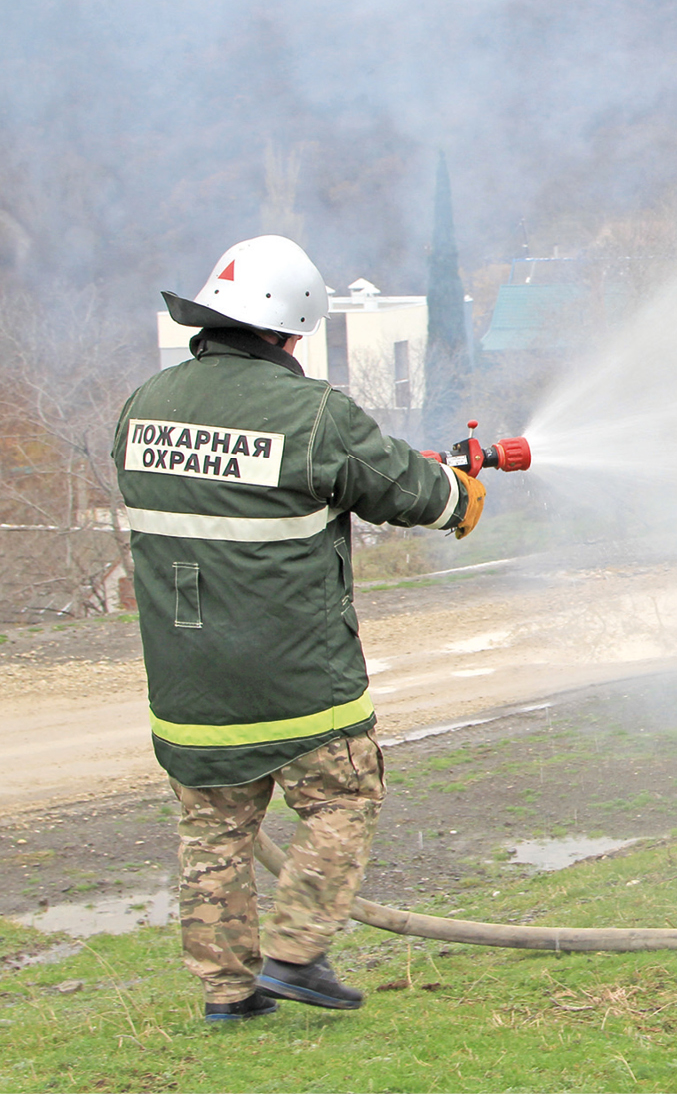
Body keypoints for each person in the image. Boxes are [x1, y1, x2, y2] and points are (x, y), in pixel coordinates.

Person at [113, 235, 485, 1021]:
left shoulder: (143, 406)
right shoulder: (313, 413)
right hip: (296, 677)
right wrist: (458, 489)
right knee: (342, 799)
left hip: (186, 680)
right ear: (290, 334)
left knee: (213, 835)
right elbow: (418, 496)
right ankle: (296, 953)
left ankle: (227, 993)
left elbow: (243, 485)